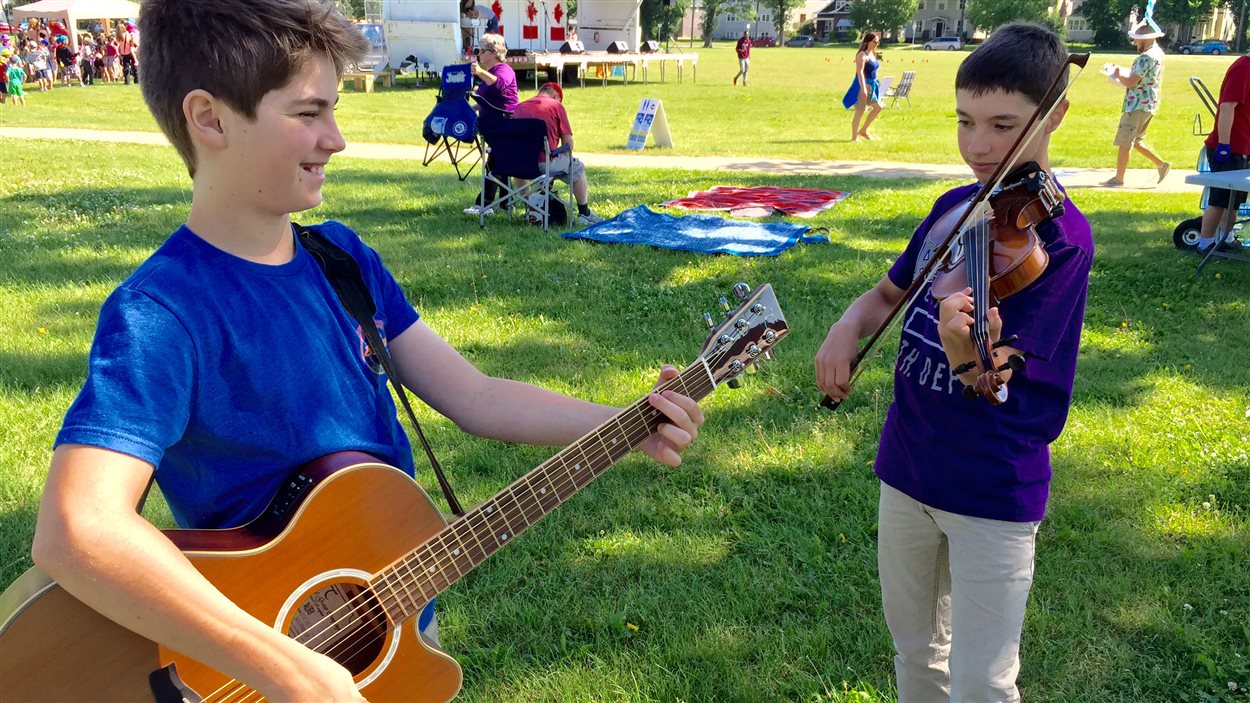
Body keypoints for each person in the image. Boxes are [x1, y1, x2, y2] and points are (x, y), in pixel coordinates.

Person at [29, 2, 704, 702]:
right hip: (251, 671)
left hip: (387, 626)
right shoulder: (164, 313)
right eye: (308, 113)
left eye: (336, 110)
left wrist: (624, 422)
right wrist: (282, 667)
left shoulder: (343, 261)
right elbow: (78, 527)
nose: (338, 139)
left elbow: (474, 395)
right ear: (210, 119)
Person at [815, 23, 1092, 702]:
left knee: (982, 680)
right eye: (965, 121)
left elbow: (999, 385)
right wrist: (846, 329)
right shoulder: (954, 208)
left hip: (992, 490)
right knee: (916, 653)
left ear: (1055, 114)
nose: (978, 146)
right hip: (907, 468)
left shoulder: (1061, 242)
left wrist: (969, 359)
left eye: (1003, 125)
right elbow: (886, 296)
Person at [512, 82, 604, 225]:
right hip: (544, 163)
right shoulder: (556, 106)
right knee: (577, 166)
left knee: (522, 167)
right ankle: (584, 213)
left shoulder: (519, 107)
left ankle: (530, 209)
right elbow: (568, 146)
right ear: (556, 96)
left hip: (518, 165)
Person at [1102, 20, 1170, 186]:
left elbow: (1131, 82)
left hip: (1137, 104)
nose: (1135, 43)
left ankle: (1119, 178)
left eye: (1136, 40)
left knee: (1125, 141)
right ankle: (1161, 165)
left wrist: (1117, 74)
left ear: (1144, 39)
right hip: (1148, 103)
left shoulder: (1145, 57)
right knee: (1137, 140)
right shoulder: (1158, 53)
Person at [1196, 53, 1250, 252]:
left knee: (1233, 201)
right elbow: (1227, 107)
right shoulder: (1243, 67)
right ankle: (1205, 243)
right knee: (1219, 200)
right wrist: (1224, 144)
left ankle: (1226, 239)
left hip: (1244, 147)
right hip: (1229, 147)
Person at [465, 32, 519, 217]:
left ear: (494, 52)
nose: (478, 54)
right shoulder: (490, 73)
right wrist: (473, 108)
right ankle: (506, 202)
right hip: (493, 124)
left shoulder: (504, 70)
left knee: (495, 163)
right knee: (500, 161)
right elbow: (488, 99)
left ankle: (484, 204)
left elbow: (499, 85)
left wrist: (480, 72)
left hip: (505, 124)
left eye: (482, 50)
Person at [842, 32, 883, 142]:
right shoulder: (862, 55)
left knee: (878, 108)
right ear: (868, 41)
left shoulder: (872, 53)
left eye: (878, 42)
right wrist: (863, 88)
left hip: (872, 86)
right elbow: (860, 72)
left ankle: (863, 131)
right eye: (874, 42)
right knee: (860, 111)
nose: (876, 44)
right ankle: (854, 138)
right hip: (863, 85)